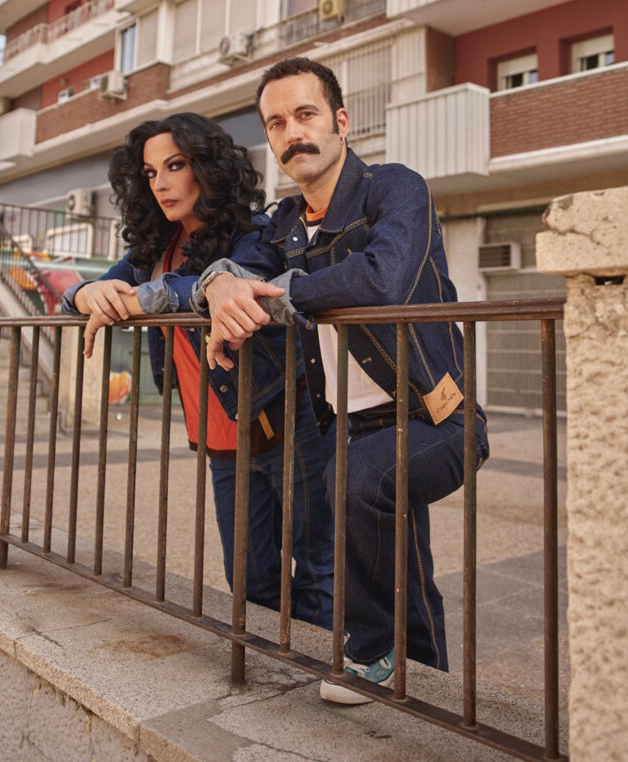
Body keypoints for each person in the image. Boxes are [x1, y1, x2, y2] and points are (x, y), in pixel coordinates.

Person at [194, 58, 490, 705]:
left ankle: (369, 651)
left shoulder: (396, 189)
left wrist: (284, 291)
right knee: (405, 567)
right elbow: (236, 269)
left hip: (437, 415)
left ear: (341, 121)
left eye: (305, 114)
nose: (291, 133)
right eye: (276, 122)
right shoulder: (280, 224)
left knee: (354, 482)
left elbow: (383, 277)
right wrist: (220, 285)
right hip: (350, 423)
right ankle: (422, 679)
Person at [61, 112, 334, 628]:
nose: (160, 183)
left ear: (205, 167)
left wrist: (144, 298)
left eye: (175, 165)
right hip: (218, 435)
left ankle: (318, 675)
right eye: (149, 173)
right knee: (251, 580)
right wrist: (85, 291)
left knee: (320, 566)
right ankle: (277, 665)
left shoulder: (253, 232)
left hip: (284, 419)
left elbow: (235, 282)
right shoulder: (151, 250)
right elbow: (76, 299)